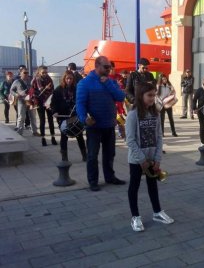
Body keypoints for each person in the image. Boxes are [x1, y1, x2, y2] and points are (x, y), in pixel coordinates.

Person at [125, 81, 174, 232]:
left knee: (152, 185)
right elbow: (130, 140)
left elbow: (159, 137)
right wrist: (142, 160)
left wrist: (157, 158)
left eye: (154, 95)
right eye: (149, 95)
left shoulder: (155, 114)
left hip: (152, 159)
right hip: (137, 160)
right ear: (141, 96)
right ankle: (135, 217)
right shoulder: (133, 115)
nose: (153, 98)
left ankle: (157, 212)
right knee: (134, 186)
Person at [76, 56, 126, 191]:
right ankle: (93, 181)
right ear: (97, 65)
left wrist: (108, 83)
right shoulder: (85, 83)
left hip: (109, 124)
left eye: (110, 67)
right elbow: (80, 104)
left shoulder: (111, 82)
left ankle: (110, 177)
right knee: (92, 155)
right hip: (94, 126)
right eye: (106, 67)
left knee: (110, 153)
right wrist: (84, 118)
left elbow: (120, 97)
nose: (109, 69)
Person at [51, 71, 87, 162]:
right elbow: (53, 103)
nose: (69, 80)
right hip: (63, 116)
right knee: (64, 136)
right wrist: (55, 112)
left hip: (74, 115)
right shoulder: (58, 90)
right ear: (64, 79)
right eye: (67, 78)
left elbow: (81, 101)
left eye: (71, 78)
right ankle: (64, 157)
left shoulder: (76, 89)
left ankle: (84, 155)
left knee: (79, 136)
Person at [31, 65, 57, 146]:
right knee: (42, 121)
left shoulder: (49, 79)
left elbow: (52, 89)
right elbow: (33, 91)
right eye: (43, 72)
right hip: (39, 102)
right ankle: (43, 138)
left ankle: (53, 137)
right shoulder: (35, 80)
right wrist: (44, 89)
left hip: (48, 101)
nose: (45, 74)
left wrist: (50, 96)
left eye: (46, 72)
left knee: (51, 120)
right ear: (39, 72)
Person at [10, 68, 30, 135]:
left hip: (30, 100)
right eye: (25, 73)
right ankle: (19, 132)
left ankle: (35, 132)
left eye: (27, 73)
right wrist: (16, 95)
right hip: (21, 100)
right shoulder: (17, 81)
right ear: (20, 73)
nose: (26, 74)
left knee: (32, 117)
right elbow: (11, 90)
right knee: (21, 116)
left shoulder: (30, 81)